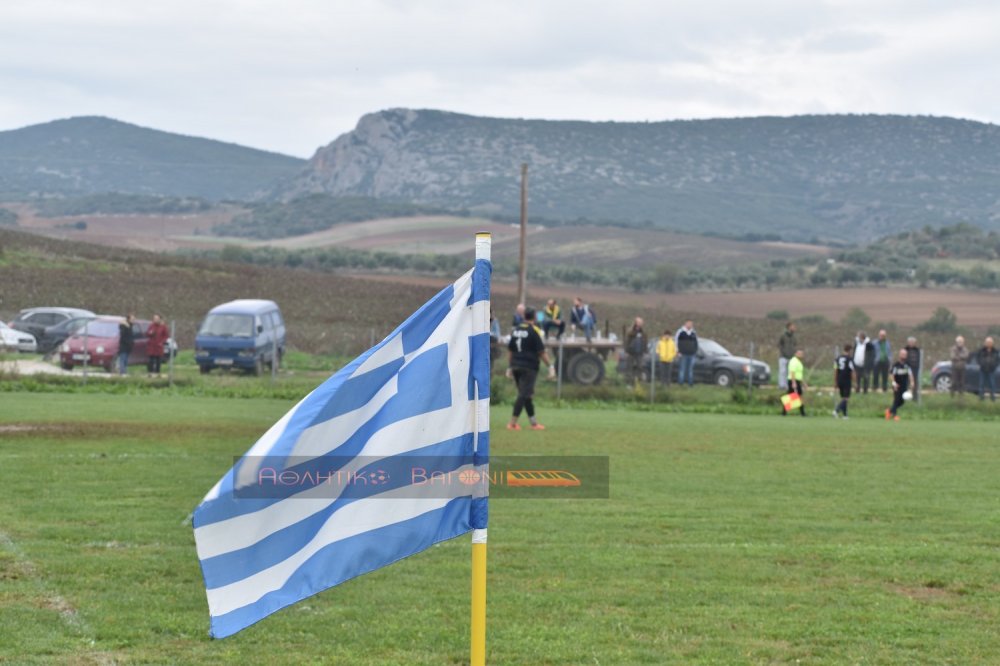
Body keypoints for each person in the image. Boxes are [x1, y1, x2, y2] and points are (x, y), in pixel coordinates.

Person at [506, 307, 554, 430]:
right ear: (534, 317)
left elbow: (510, 350)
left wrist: (509, 367)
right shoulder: (533, 331)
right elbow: (541, 352)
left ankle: (534, 423)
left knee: (527, 395)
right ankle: (512, 423)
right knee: (523, 394)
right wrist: (550, 366)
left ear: (524, 316)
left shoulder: (516, 330)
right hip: (528, 367)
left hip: (516, 365)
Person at [886, 349, 914, 421]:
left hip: (904, 385)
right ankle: (895, 416)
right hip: (897, 386)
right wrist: (894, 383)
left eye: (905, 354)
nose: (904, 356)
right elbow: (891, 374)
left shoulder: (907, 365)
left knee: (902, 402)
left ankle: (889, 411)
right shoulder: (896, 365)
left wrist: (912, 383)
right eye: (902, 354)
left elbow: (910, 375)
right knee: (896, 400)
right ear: (900, 355)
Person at [833, 343, 855, 419]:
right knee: (846, 398)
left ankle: (845, 415)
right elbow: (852, 371)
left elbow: (835, 370)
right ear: (849, 351)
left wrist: (835, 381)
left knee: (843, 398)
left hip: (839, 379)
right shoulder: (850, 359)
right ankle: (836, 410)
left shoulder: (837, 359)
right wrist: (855, 381)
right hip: (846, 380)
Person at [783, 349, 807, 416]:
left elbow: (799, 374)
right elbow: (792, 372)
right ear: (796, 354)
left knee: (793, 397)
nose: (801, 355)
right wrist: (794, 383)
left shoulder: (799, 362)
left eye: (802, 354)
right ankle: (803, 413)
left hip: (797, 381)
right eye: (799, 353)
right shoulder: (793, 361)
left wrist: (803, 383)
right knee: (795, 397)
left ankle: (784, 412)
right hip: (793, 381)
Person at [675, 320, 698, 387]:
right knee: (682, 369)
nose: (690, 325)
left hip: (691, 354)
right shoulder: (680, 332)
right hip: (683, 354)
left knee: (690, 369)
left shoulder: (693, 332)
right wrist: (677, 351)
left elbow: (696, 343)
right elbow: (676, 342)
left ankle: (690, 383)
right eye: (689, 323)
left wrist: (695, 351)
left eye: (691, 324)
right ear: (685, 324)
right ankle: (681, 383)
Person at [146, 314, 170, 378]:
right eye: (154, 318)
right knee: (151, 359)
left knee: (158, 360)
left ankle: (157, 372)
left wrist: (162, 342)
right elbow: (147, 333)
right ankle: (150, 372)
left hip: (159, 346)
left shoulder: (163, 326)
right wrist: (150, 333)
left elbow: (166, 336)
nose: (155, 320)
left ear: (159, 319)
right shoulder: (151, 326)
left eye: (156, 318)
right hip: (152, 345)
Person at [975, 336, 999, 402]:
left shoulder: (995, 351)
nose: (988, 343)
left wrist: (994, 366)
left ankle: (993, 398)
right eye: (987, 342)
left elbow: (997, 360)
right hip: (983, 370)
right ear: (985, 343)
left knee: (992, 384)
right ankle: (981, 398)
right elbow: (977, 358)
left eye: (990, 342)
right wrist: (980, 364)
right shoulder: (981, 350)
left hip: (991, 370)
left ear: (992, 343)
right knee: (981, 384)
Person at [624, 317, 647, 383]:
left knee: (640, 367)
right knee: (629, 368)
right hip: (631, 352)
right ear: (636, 323)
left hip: (640, 353)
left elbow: (645, 342)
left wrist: (645, 350)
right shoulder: (630, 331)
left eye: (641, 322)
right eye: (639, 322)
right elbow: (626, 341)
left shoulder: (643, 332)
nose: (640, 324)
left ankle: (638, 382)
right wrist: (627, 350)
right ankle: (629, 382)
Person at [777, 321, 797, 391]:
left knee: (789, 372)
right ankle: (781, 385)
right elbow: (779, 344)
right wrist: (783, 352)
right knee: (782, 371)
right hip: (783, 356)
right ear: (789, 327)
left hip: (791, 357)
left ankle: (787, 386)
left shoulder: (794, 337)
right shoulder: (783, 335)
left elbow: (795, 345)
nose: (794, 328)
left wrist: (794, 353)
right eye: (793, 326)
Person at [903, 336, 922, 401]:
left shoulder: (918, 350)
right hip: (907, 368)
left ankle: (915, 397)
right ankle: (905, 397)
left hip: (915, 369)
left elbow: (920, 359)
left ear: (915, 343)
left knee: (915, 383)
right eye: (910, 342)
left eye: (912, 342)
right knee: (906, 383)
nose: (911, 343)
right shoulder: (905, 349)